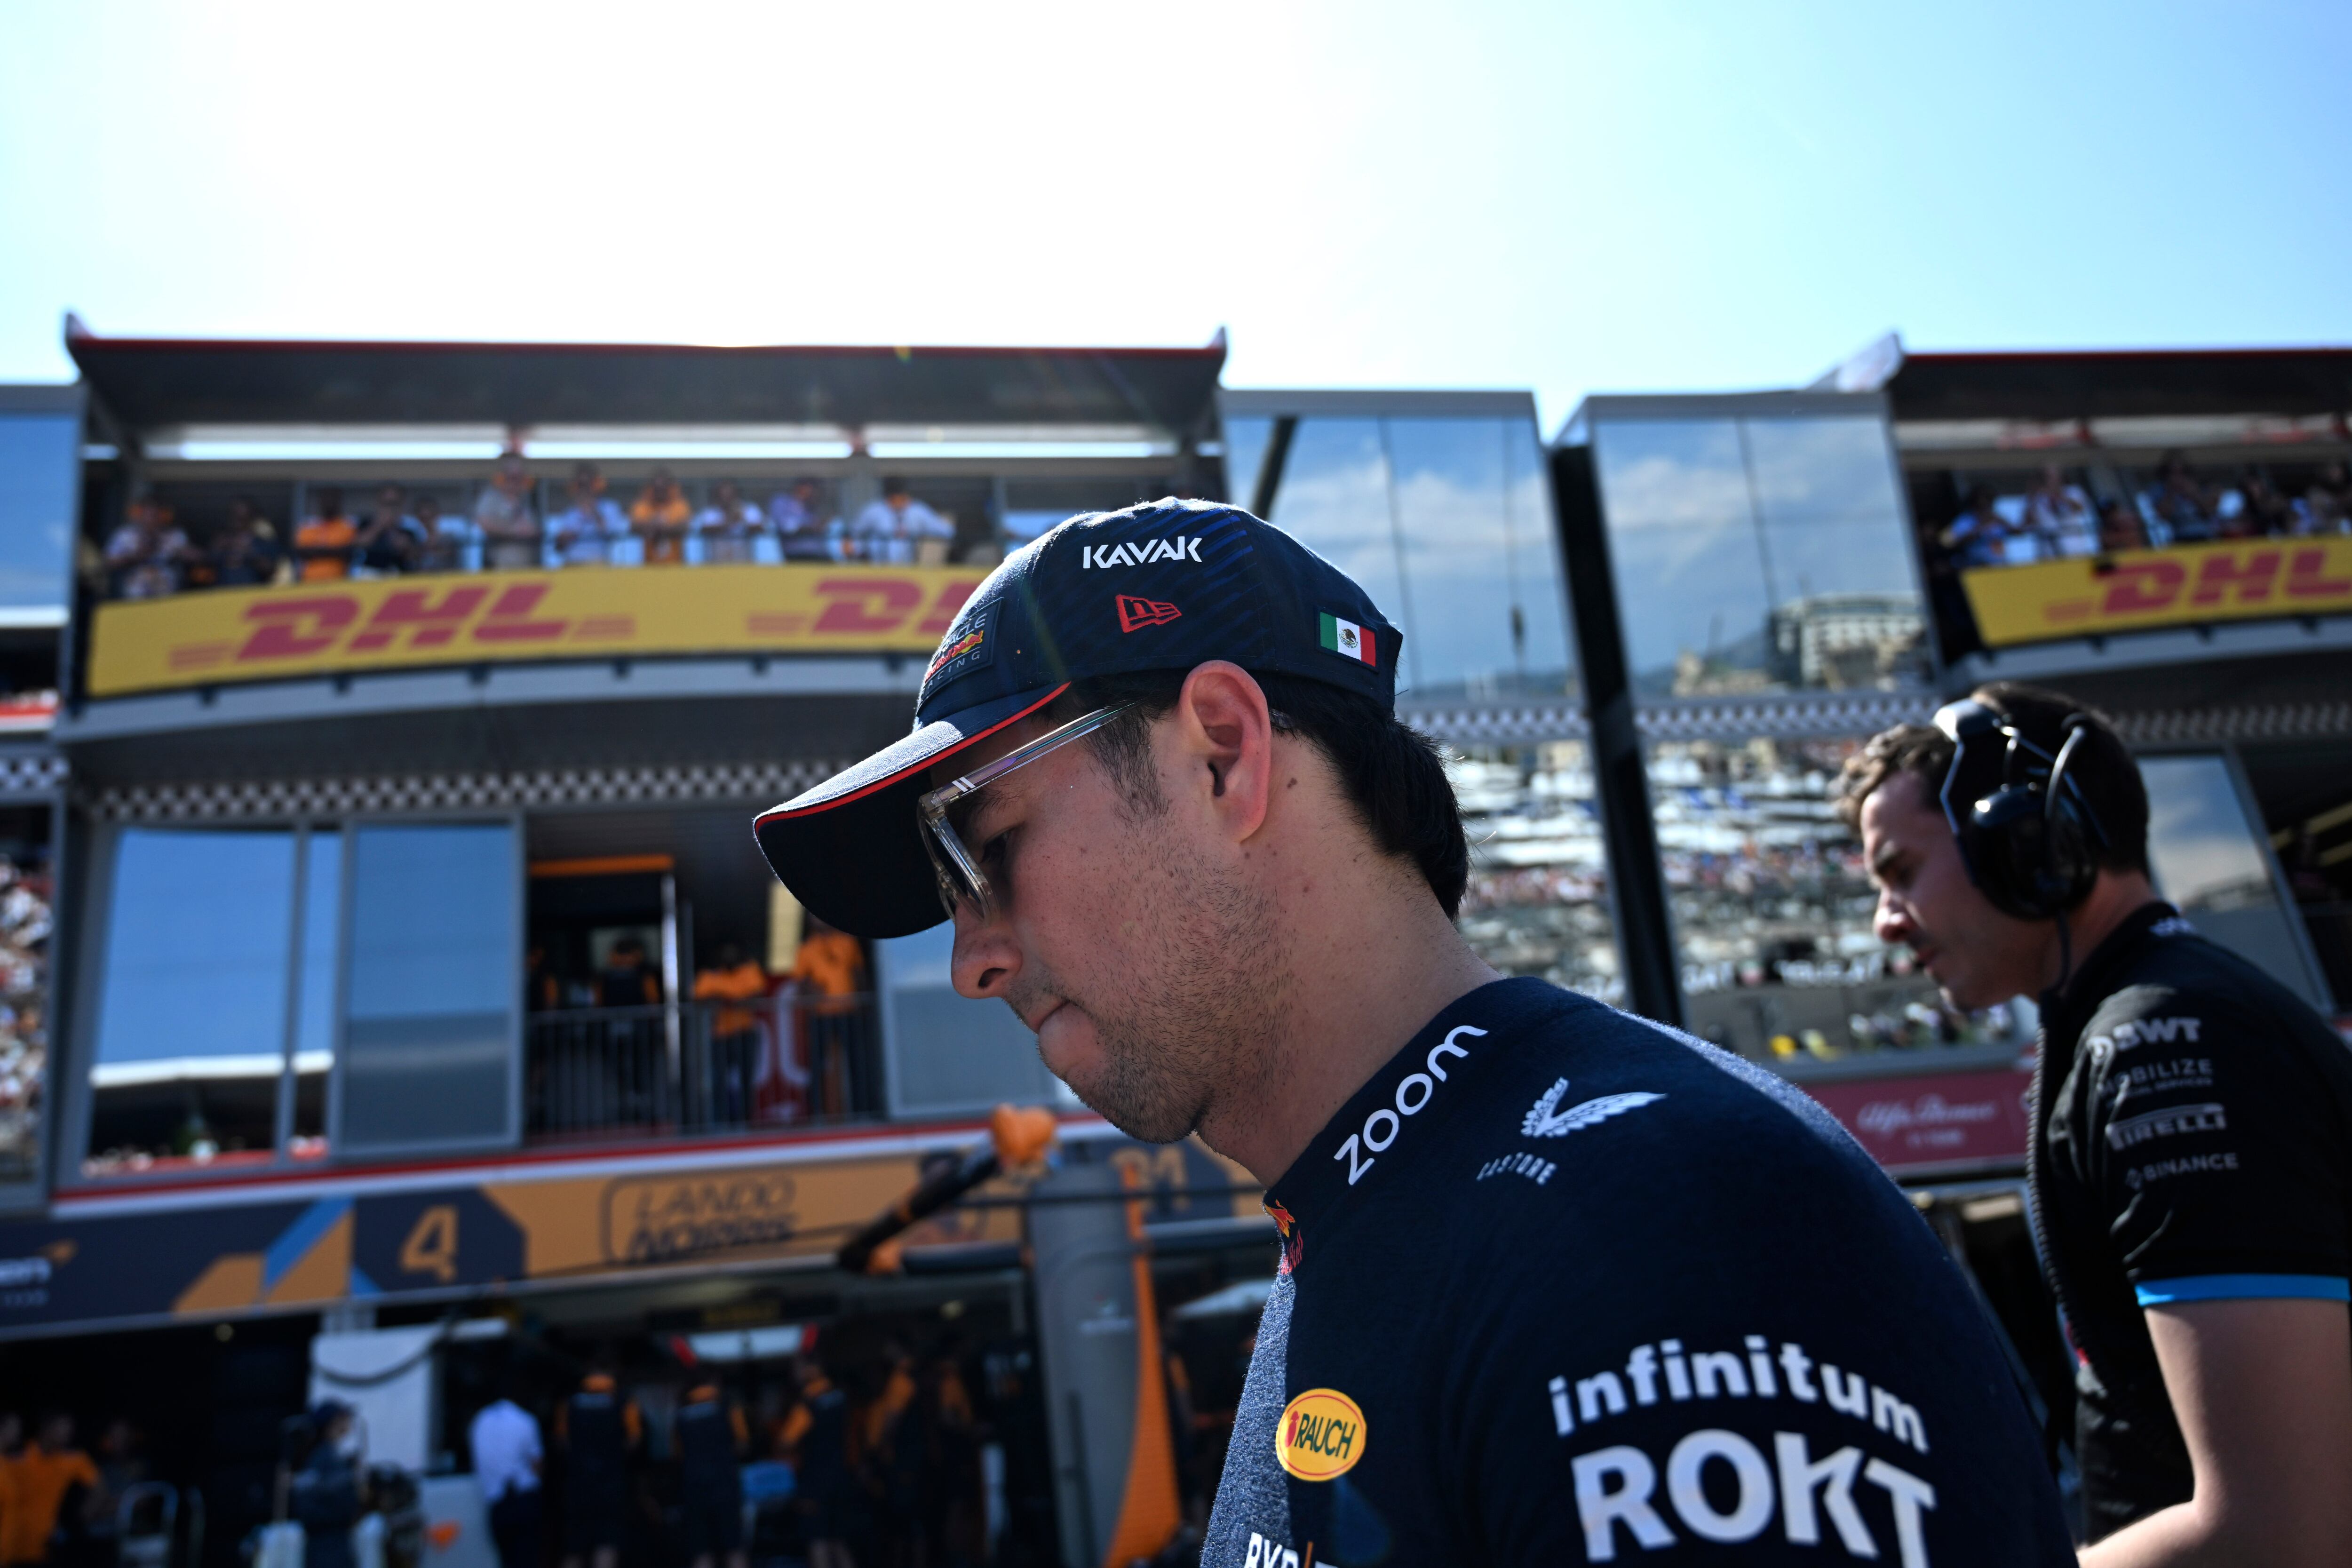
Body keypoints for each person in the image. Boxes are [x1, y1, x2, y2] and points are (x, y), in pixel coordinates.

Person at [752, 499, 2075, 1566]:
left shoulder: (1657, 1218)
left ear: (1224, 754)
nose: (974, 954)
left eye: (991, 848)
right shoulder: (1395, 1212)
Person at [1840, 682, 2352, 1562]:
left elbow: (2280, 1530)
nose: (1887, 921)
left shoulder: (2165, 1045)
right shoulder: (2146, 1024)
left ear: (2021, 838)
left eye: (1900, 871)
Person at [553, 1367, 638, 1568]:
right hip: (610, 1483)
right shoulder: (624, 1402)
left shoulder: (570, 1403)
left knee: (574, 1547)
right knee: (607, 1543)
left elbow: (561, 1441)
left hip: (578, 1483)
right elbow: (634, 1441)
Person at [789, 921, 865, 1118]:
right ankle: (816, 1114)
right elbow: (800, 983)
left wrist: (862, 1003)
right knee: (817, 1065)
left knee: (856, 1063)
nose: (818, 920)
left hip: (848, 1012)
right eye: (812, 917)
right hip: (821, 1015)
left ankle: (861, 1110)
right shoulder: (807, 948)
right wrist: (811, 990)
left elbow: (859, 972)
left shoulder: (848, 941)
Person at [693, 942, 768, 1126]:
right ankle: (720, 1121)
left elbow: (757, 993)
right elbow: (698, 996)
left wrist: (727, 999)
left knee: (746, 1078)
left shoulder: (749, 970)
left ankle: (745, 1120)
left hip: (745, 1032)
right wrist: (730, 999)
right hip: (721, 1035)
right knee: (719, 1080)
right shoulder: (711, 975)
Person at [674, 1383, 748, 1568]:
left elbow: (676, 1454)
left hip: (694, 1485)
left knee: (701, 1549)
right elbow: (743, 1444)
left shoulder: (681, 1414)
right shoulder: (728, 1407)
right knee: (734, 1546)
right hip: (725, 1483)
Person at [469, 1390, 542, 1568]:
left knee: (505, 1560)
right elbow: (537, 1464)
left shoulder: (480, 1420)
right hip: (522, 1499)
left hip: (496, 1503)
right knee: (526, 1559)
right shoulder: (525, 1420)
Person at [288, 1402, 364, 1568]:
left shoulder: (329, 1456)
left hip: (331, 1544)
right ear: (332, 1424)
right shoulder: (324, 1458)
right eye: (343, 1418)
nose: (348, 1423)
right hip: (329, 1546)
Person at [103, 500, 195, 598]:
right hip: (134, 584)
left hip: (166, 586)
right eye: (148, 515)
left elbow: (194, 556)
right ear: (140, 515)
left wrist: (180, 553)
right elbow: (109, 562)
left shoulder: (174, 535)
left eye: (156, 515)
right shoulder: (125, 535)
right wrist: (135, 557)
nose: (152, 519)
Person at [850, 479, 950, 565]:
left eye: (901, 497)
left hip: (909, 567)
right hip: (878, 567)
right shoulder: (874, 510)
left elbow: (946, 531)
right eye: (894, 498)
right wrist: (859, 548)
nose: (898, 501)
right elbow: (855, 534)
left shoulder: (918, 511)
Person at [548, 465, 626, 568]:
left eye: (589, 484)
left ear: (596, 484)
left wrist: (594, 511)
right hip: (571, 566)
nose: (585, 489)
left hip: (598, 566)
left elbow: (611, 532)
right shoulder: (569, 513)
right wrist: (563, 538)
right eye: (581, 485)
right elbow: (558, 548)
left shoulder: (609, 508)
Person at [476, 453, 543, 571]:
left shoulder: (529, 500)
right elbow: (484, 523)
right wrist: (514, 532)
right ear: (503, 477)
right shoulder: (491, 498)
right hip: (499, 565)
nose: (515, 483)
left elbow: (536, 529)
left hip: (527, 566)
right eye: (512, 478)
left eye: (519, 478)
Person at [2023, 463, 2098, 557]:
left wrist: (2058, 495)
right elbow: (2027, 523)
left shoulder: (2073, 492)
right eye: (2044, 477)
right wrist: (2032, 497)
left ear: (2060, 477)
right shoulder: (2038, 499)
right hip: (2049, 552)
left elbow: (2080, 508)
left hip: (2076, 548)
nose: (2049, 480)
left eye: (2051, 476)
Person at [629, 467, 693, 565]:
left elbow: (685, 526)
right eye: (657, 489)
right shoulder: (642, 505)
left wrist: (664, 528)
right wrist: (654, 525)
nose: (660, 492)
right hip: (649, 564)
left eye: (663, 488)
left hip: (676, 564)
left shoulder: (679, 505)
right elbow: (635, 526)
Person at [211, 498, 281, 587]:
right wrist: (217, 548)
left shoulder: (263, 542)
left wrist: (249, 553)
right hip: (221, 595)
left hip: (250, 595)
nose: (237, 521)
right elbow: (206, 566)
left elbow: (272, 570)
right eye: (234, 515)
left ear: (251, 518)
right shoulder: (222, 541)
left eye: (242, 518)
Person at [354, 486, 423, 576]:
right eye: (387, 503)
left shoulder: (409, 528)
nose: (390, 508)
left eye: (394, 503)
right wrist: (380, 525)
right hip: (371, 575)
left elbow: (417, 557)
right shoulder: (366, 523)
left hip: (398, 576)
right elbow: (359, 543)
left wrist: (407, 547)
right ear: (379, 502)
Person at [294, 489, 359, 582]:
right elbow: (303, 551)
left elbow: (347, 550)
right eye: (326, 499)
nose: (329, 503)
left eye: (332, 499)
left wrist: (319, 551)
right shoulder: (308, 525)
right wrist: (333, 551)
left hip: (339, 581)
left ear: (339, 502)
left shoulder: (348, 525)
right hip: (309, 582)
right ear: (320, 501)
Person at [769, 479, 834, 561]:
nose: (812, 493)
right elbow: (787, 527)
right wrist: (812, 528)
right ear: (800, 488)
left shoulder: (810, 508)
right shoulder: (782, 502)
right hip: (797, 555)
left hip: (820, 554)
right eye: (810, 489)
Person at [413, 493, 474, 573]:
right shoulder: (412, 537)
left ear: (438, 514)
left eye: (430, 516)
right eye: (423, 519)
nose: (427, 522)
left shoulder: (450, 537)